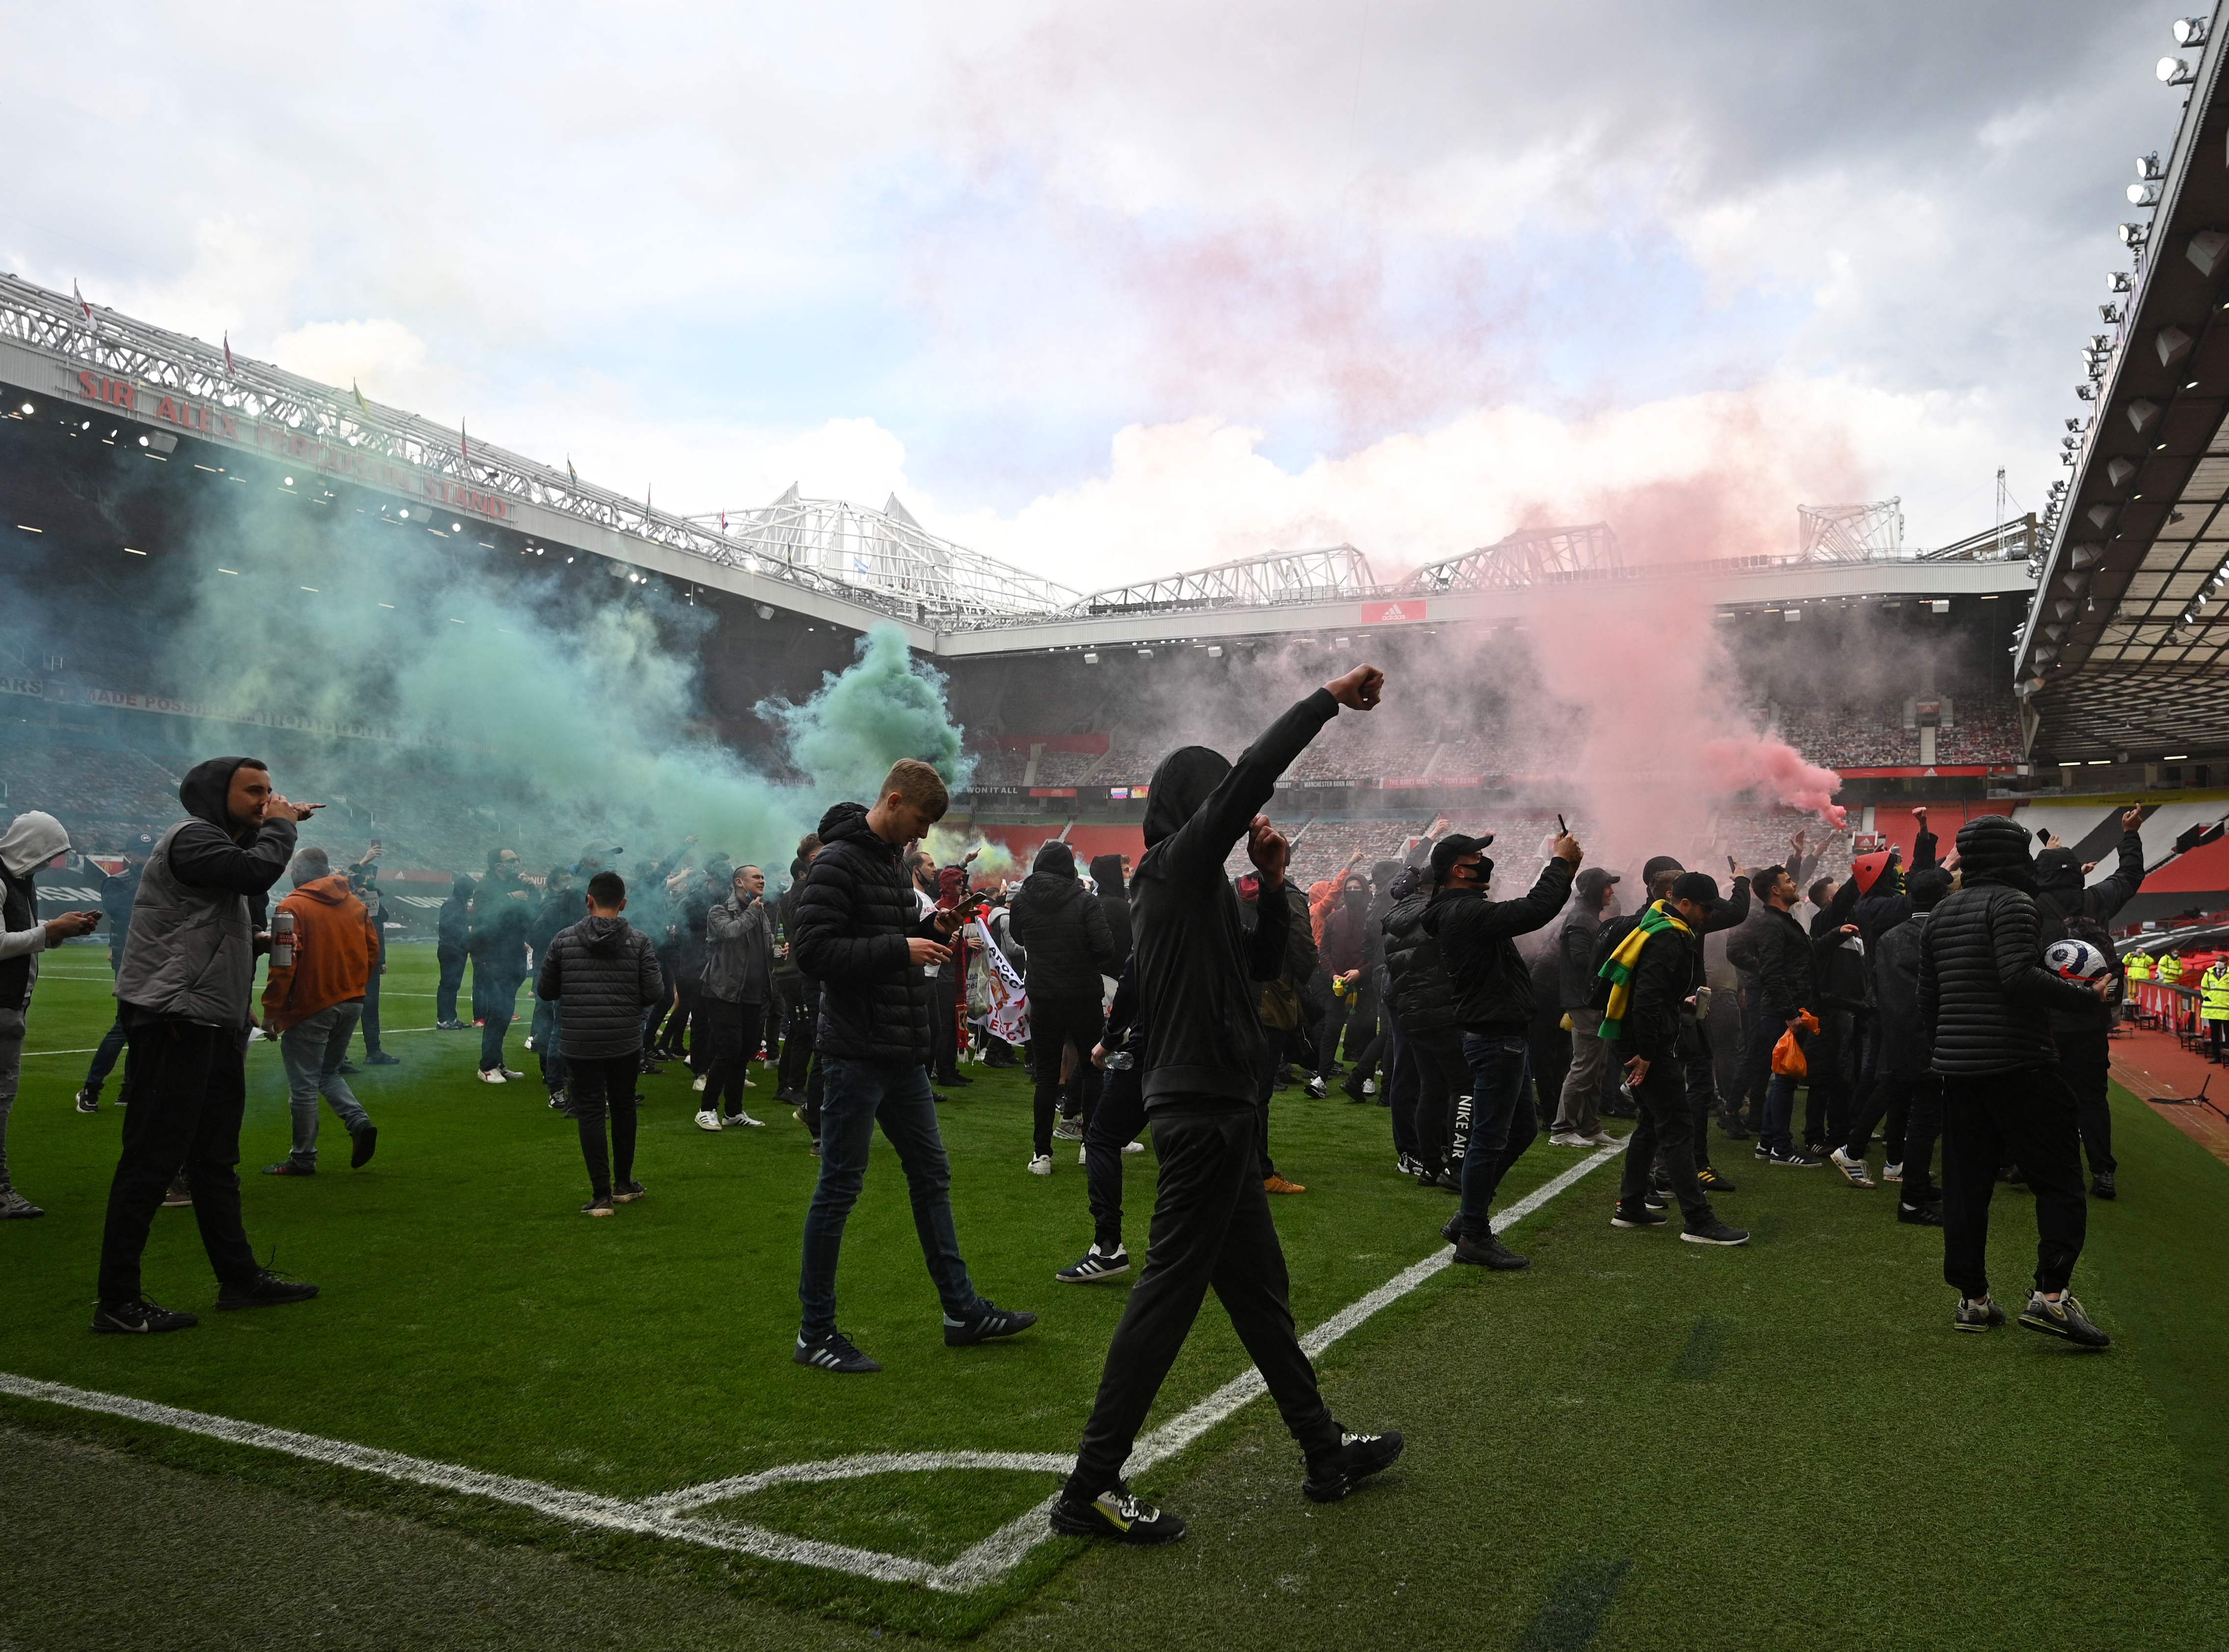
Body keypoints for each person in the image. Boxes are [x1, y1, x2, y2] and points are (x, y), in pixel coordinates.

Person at [1052, 666, 1403, 1547]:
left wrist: (1278, 881)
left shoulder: (1196, 888)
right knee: (1168, 1297)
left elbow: (1259, 972)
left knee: (1259, 1296)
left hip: (1223, 1109)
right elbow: (1253, 774)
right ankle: (1088, 1487)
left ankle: (1323, 1452)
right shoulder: (1172, 868)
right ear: (1193, 803)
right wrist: (1324, 700)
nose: (1240, 815)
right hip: (1203, 1113)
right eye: (1220, 798)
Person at [789, 761, 1036, 1374]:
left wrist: (931, 925)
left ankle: (961, 1311)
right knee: (840, 1188)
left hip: (897, 1051)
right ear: (895, 802)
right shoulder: (838, 863)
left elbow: (888, 931)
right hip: (854, 1050)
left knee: (932, 1174)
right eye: (921, 822)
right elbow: (813, 953)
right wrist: (900, 947)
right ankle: (814, 1332)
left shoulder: (888, 862)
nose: (923, 837)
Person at [95, 758, 323, 1333]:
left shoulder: (222, 847)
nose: (266, 798)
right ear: (214, 794)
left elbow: (212, 920)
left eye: (270, 791)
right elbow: (254, 874)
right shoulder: (193, 837)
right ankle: (117, 1301)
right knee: (152, 1159)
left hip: (213, 1020)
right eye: (253, 791)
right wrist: (283, 825)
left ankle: (240, 1279)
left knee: (215, 1160)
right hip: (174, 1016)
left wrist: (258, 941)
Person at [1921, 815, 2114, 1346]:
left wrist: (1949, 1049)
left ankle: (1973, 1301)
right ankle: (2051, 1298)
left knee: (1966, 1189)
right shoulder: (2013, 904)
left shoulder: (1941, 912)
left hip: (1959, 1073)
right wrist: (2087, 996)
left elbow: (1927, 1000)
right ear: (2012, 857)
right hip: (2021, 1066)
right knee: (2058, 1182)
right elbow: (2017, 976)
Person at [1422, 831, 1577, 1268]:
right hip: (1495, 1036)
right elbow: (1535, 910)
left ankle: (1469, 1216)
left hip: (1501, 1032)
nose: (1486, 862)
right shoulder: (1463, 910)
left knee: (1521, 1130)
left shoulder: (1456, 910)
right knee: (1488, 1140)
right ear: (1459, 869)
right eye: (1478, 856)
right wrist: (1560, 865)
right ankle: (1473, 1234)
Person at [1598, 872, 1749, 1246]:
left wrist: (1674, 1003)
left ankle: (1631, 1205)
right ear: (1684, 903)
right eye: (1704, 908)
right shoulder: (1671, 936)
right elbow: (1646, 999)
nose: (1708, 915)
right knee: (1678, 1126)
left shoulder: (1656, 924)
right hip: (1645, 1047)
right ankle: (1698, 1221)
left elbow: (1647, 992)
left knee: (1651, 1123)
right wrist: (1646, 1054)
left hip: (1632, 1039)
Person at [537, 871, 666, 1216]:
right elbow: (655, 992)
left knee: (591, 1111)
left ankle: (600, 1196)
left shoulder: (563, 940)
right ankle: (624, 1184)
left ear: (588, 900)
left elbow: (546, 991)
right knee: (623, 1107)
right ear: (623, 904)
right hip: (624, 1039)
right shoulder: (640, 942)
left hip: (579, 1040)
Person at [2033, 808, 2145, 1199]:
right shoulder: (2096, 900)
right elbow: (2130, 877)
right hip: (2092, 1020)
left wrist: (2046, 854)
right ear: (2075, 872)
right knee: (2093, 1098)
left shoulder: (2030, 905)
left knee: (2043, 1097)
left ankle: (2040, 1167)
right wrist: (2129, 835)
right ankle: (2102, 1172)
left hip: (2045, 1023)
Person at [260, 846, 381, 1176]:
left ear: (297, 872)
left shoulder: (290, 906)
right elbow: (372, 951)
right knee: (328, 1073)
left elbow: (283, 964)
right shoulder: (355, 905)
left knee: (303, 1084)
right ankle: (358, 1121)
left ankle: (303, 1159)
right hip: (352, 1002)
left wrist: (272, 1012)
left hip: (311, 1006)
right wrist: (353, 986)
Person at [3, 813, 101, 1217]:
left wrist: (60, 930)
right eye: (49, 854)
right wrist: (50, 931)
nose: (49, 863)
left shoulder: (20, 881)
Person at [1011, 838, 1121, 1172]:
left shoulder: (1023, 901)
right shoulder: (1084, 900)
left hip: (1044, 997)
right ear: (1068, 867)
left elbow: (1018, 937)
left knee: (1047, 1076)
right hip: (1083, 995)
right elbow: (1105, 948)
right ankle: (1091, 1143)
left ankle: (1041, 1154)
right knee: (1092, 1069)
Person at [1862, 866, 1951, 1226]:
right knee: (1925, 1124)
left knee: (1917, 1121)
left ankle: (1916, 1189)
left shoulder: (1889, 936)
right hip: (1934, 1041)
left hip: (1896, 1040)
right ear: (1943, 897)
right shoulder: (1943, 935)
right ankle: (1913, 1200)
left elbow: (1877, 991)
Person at [1058, 955, 1152, 1283]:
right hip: (1213, 1048)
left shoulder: (1162, 914)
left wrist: (1110, 1039)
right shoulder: (1222, 920)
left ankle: (1108, 1246)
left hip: (1157, 1045)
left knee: (1100, 1138)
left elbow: (1132, 978)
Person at [1731, 863, 1829, 1168]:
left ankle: (1768, 1143)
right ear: (1775, 890)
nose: (1793, 883)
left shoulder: (1781, 921)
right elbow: (1772, 970)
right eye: (1788, 880)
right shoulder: (1772, 924)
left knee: (1783, 1079)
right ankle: (1781, 1149)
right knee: (1785, 1079)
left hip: (1786, 1009)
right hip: (1783, 1012)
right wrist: (1789, 1013)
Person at [1382, 863, 1461, 1184]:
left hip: (1403, 995)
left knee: (1423, 1078)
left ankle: (1422, 1151)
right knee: (1417, 1076)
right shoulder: (1434, 911)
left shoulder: (1400, 912)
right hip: (1418, 997)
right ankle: (1414, 1151)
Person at [75, 831, 150, 1113]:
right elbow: (122, 915)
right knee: (126, 1023)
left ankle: (128, 1089)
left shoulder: (154, 879)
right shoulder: (117, 883)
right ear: (130, 856)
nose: (146, 858)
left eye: (149, 852)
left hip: (150, 956)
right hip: (130, 956)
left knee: (141, 1023)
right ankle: (92, 1089)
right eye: (141, 853)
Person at [699, 864, 774, 1130]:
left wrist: (778, 952)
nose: (762, 881)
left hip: (753, 993)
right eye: (756, 877)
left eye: (764, 877)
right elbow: (731, 932)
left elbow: (764, 948)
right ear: (739, 883)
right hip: (724, 991)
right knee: (728, 1049)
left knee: (745, 1051)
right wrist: (754, 912)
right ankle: (707, 1109)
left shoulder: (761, 914)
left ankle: (734, 1112)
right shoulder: (719, 911)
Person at [1550, 866, 1621, 1146]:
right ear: (1594, 890)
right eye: (1607, 887)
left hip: (1591, 1002)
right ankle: (1562, 1130)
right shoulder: (1581, 920)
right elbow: (1581, 960)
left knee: (1597, 1067)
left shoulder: (1588, 917)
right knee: (1584, 1068)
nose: (1611, 892)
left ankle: (1591, 1127)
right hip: (1585, 1003)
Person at [470, 850, 532, 1082]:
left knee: (505, 1011)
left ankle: (497, 1062)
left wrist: (531, 889)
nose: (517, 864)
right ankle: (487, 1067)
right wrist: (511, 898)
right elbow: (485, 916)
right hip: (490, 955)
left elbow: (531, 912)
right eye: (512, 861)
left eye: (518, 859)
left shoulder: (517, 885)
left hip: (512, 953)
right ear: (498, 865)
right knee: (498, 1009)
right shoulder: (485, 887)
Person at [1312, 873, 1370, 1094]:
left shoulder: (1373, 918)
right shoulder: (1334, 919)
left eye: (1358, 888)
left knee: (1365, 1031)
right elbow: (1324, 950)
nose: (1353, 892)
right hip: (1338, 985)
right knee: (1331, 1030)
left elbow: (1377, 954)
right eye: (1350, 888)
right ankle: (1321, 1077)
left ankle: (1365, 1078)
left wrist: (1361, 972)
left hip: (1365, 984)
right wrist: (1333, 974)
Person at [345, 844, 400, 1068]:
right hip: (352, 959)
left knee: (370, 1007)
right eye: (366, 875)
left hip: (370, 960)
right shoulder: (346, 897)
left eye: (372, 875)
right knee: (346, 1008)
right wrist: (364, 861)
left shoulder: (375, 899)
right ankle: (340, 1055)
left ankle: (374, 1051)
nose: (369, 879)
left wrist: (382, 959)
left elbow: (380, 929)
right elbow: (345, 877)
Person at [527, 867, 577, 1104]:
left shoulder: (564, 903)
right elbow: (536, 935)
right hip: (553, 971)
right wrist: (557, 954)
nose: (569, 884)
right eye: (565, 880)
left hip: (556, 969)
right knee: (552, 1023)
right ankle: (552, 1078)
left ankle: (558, 1075)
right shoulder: (554, 905)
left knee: (556, 1024)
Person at [434, 871, 474, 1029]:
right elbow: (447, 925)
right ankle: (444, 1020)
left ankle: (450, 1018)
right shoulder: (453, 904)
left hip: (455, 949)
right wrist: (467, 930)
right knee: (448, 985)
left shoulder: (458, 903)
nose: (471, 893)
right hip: (451, 949)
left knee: (452, 985)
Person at [1090, 853, 1133, 964]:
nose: (1131, 874)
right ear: (1114, 875)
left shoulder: (1092, 903)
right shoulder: (1123, 908)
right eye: (1126, 870)